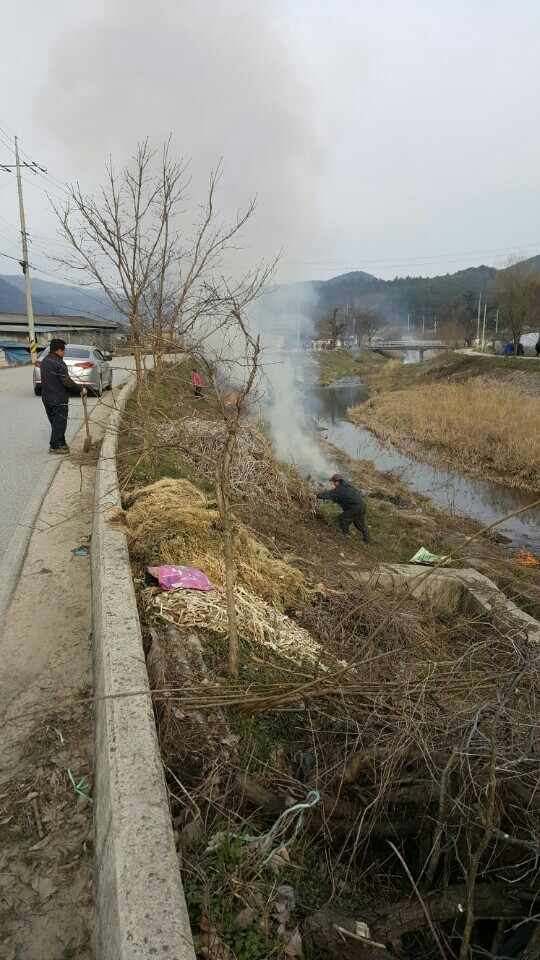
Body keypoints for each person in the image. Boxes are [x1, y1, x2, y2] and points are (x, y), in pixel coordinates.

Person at [40, 339, 87, 454]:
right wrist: (80, 388)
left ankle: (61, 442)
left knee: (55, 423)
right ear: (59, 350)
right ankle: (55, 447)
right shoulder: (59, 363)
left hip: (47, 398)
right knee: (59, 423)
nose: (64, 353)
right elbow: (66, 381)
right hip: (58, 398)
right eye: (64, 351)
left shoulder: (45, 361)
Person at [317, 473, 371, 542]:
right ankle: (367, 541)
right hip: (361, 507)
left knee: (343, 519)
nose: (332, 484)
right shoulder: (348, 486)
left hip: (355, 508)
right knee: (360, 525)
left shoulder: (341, 489)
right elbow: (344, 498)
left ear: (337, 482)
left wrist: (317, 495)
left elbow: (328, 494)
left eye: (333, 482)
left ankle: (346, 537)